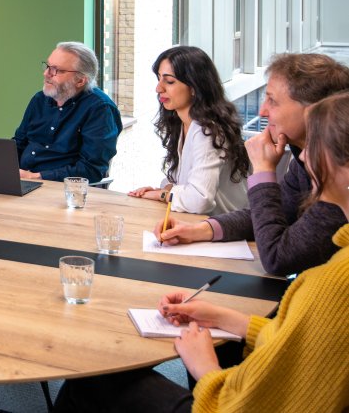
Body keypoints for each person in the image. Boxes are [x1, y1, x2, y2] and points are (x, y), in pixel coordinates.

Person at [54, 91, 349, 413]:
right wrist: (223, 317)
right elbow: (302, 346)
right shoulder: (336, 266)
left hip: (219, 403)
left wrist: (203, 366)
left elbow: (241, 406)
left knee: (92, 379)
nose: (303, 159)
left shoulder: (332, 282)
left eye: (313, 149)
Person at [156, 53, 349, 276]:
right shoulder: (303, 161)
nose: (262, 111)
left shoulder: (339, 178)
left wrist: (264, 171)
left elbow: (278, 258)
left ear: (314, 111)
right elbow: (272, 214)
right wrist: (198, 230)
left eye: (272, 101)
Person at [129, 46, 249, 215]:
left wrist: (164, 195)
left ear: (194, 87)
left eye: (169, 81)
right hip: (201, 226)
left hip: (225, 233)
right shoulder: (183, 124)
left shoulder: (207, 132)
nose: (159, 88)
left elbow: (200, 200)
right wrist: (161, 190)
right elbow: (187, 183)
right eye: (159, 79)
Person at [14, 41, 121, 183]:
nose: (46, 73)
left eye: (56, 70)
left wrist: (36, 176)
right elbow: (19, 143)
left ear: (80, 80)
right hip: (23, 181)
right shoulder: (39, 99)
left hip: (65, 191)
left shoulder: (100, 109)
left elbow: (91, 169)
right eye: (48, 67)